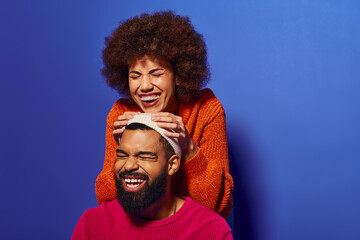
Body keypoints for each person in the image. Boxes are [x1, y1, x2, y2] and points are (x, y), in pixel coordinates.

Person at [96, 10, 234, 218]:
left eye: (156, 74)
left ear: (178, 76)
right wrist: (122, 152)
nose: (144, 86)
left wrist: (187, 148)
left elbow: (217, 205)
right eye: (135, 76)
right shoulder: (121, 113)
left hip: (197, 223)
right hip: (146, 222)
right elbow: (105, 200)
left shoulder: (206, 108)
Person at [72, 114, 233, 239]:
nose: (128, 166)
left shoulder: (212, 231)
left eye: (144, 156)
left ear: (172, 165)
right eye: (122, 155)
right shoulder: (91, 224)